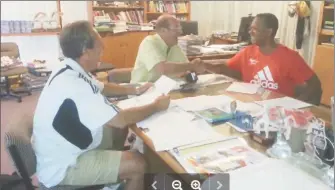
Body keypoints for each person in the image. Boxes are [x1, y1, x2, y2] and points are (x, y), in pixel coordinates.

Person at [32, 21, 170, 190]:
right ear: (85, 50)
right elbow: (120, 119)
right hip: (64, 167)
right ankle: (122, 173)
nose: (102, 51)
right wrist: (156, 106)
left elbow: (102, 87)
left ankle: (113, 174)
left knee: (118, 130)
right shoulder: (74, 85)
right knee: (137, 164)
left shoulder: (68, 67)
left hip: (62, 149)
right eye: (99, 46)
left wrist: (135, 90)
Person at [205, 13, 321, 105]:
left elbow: (315, 85)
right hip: (250, 106)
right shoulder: (247, 52)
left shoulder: (290, 57)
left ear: (268, 32)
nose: (250, 32)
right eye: (250, 28)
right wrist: (203, 65)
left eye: (255, 29)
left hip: (276, 112)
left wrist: (296, 107)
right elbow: (225, 66)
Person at [131, 14, 205, 83]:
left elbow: (188, 68)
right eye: (176, 28)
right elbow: (162, 69)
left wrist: (192, 74)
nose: (181, 32)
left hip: (164, 89)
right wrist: (191, 66)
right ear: (163, 30)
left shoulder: (174, 46)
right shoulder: (149, 42)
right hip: (141, 90)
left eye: (180, 28)